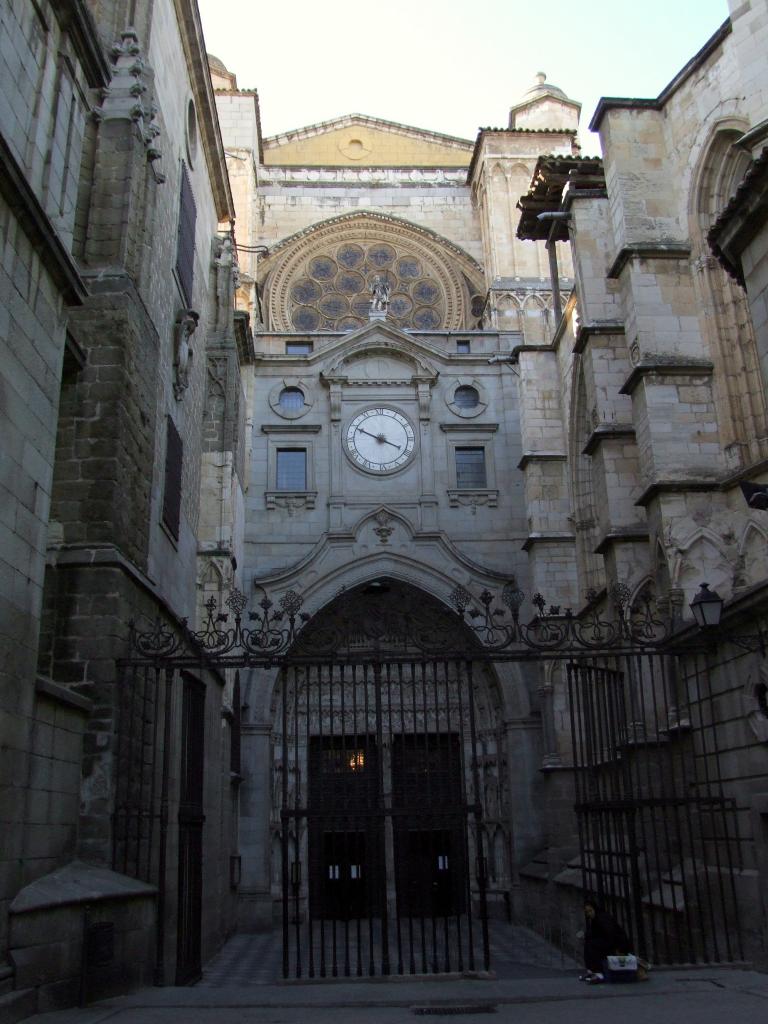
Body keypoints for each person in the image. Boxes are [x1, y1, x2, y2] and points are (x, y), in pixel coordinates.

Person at [579, 896, 631, 983]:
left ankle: (598, 972)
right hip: (609, 941)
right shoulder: (596, 919)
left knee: (592, 945)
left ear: (594, 909)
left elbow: (611, 934)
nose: (589, 914)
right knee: (589, 944)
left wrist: (618, 949)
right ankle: (591, 971)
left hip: (617, 944)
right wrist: (585, 935)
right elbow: (596, 933)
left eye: (590, 911)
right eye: (587, 912)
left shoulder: (602, 918)